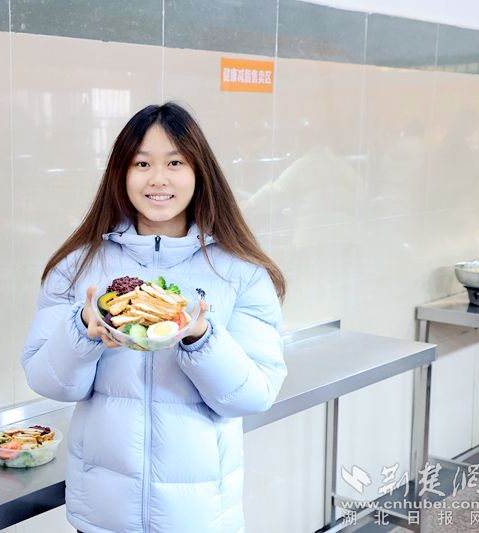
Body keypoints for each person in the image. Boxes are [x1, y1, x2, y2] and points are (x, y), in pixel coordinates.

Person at [20, 102, 288, 533]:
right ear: (120, 174)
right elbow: (49, 382)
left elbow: (252, 397)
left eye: (175, 163)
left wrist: (201, 338)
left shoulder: (240, 271)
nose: (158, 178)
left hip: (199, 519)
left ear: (200, 172)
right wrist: (82, 332)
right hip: (102, 516)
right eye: (142, 163)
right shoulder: (78, 266)